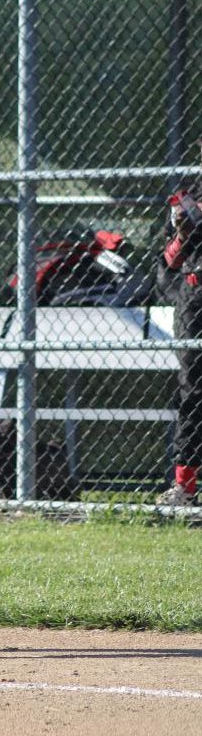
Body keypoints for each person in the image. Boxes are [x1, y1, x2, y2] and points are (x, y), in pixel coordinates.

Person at [157, 165, 202, 507]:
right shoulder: (189, 199)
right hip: (195, 300)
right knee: (193, 391)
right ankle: (184, 487)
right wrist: (184, 232)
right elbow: (169, 265)